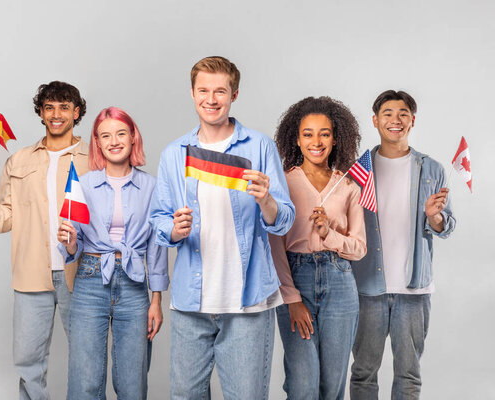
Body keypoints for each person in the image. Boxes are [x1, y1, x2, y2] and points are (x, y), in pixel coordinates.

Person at [149, 56, 295, 400]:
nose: (211, 99)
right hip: (191, 303)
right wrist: (174, 229)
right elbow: (158, 221)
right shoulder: (174, 154)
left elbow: (285, 218)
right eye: (203, 90)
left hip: (248, 301)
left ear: (234, 94)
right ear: (192, 92)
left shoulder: (259, 147)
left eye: (220, 91)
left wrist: (267, 201)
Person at [0, 81, 89, 399]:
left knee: (87, 359)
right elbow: (6, 219)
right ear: (40, 112)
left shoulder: (95, 158)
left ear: (77, 112)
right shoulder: (19, 161)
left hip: (80, 274)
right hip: (30, 275)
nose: (56, 114)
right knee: (28, 362)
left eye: (64, 107)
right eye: (49, 107)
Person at [349, 90, 456, 400]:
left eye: (402, 113)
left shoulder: (431, 169)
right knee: (363, 373)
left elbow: (446, 227)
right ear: (375, 120)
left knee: (409, 376)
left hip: (414, 291)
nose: (395, 120)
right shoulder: (359, 169)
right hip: (368, 286)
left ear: (412, 120)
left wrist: (433, 217)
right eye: (387, 113)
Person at [57, 107, 168, 400]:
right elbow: (75, 244)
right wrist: (69, 242)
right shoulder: (83, 184)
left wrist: (156, 300)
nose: (114, 141)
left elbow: (156, 247)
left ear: (133, 138)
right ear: (97, 142)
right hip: (90, 279)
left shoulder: (152, 186)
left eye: (120, 133)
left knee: (133, 382)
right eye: (105, 135)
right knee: (85, 381)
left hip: (133, 284)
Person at [270, 96, 367, 400]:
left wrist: (329, 235)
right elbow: (275, 248)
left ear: (335, 139)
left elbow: (359, 248)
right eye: (308, 134)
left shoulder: (348, 186)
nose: (316, 141)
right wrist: (292, 298)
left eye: (324, 133)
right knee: (302, 385)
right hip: (296, 280)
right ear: (296, 140)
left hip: (340, 282)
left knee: (332, 386)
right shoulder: (282, 184)